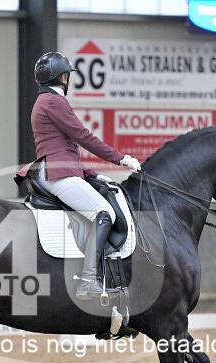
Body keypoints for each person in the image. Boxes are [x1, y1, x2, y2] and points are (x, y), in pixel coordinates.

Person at [16, 51, 141, 300]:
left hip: (56, 168)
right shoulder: (54, 102)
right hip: (57, 174)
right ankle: (88, 281)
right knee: (103, 213)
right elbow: (83, 137)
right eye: (67, 75)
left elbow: (61, 149)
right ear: (63, 77)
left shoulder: (44, 101)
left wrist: (93, 174)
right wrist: (121, 159)